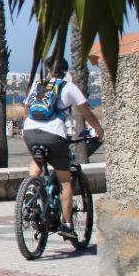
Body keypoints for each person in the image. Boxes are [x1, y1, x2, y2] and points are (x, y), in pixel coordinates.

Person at [22, 62, 103, 241]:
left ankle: (31, 189)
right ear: (65, 71)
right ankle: (67, 225)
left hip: (29, 133)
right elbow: (87, 113)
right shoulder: (69, 87)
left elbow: (26, 110)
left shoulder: (38, 85)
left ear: (48, 68)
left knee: (37, 159)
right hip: (54, 135)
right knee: (65, 182)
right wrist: (99, 131)